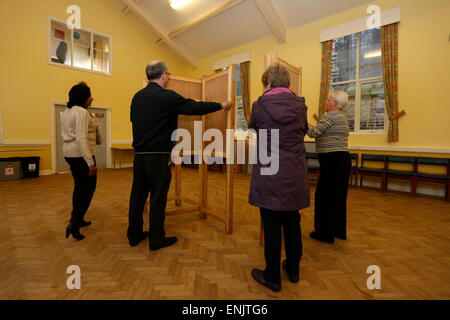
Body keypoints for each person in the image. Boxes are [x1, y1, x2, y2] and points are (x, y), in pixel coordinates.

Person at [127, 61, 232, 250]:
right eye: (168, 74)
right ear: (164, 76)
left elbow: (134, 120)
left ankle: (134, 235)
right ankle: (156, 238)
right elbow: (194, 107)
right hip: (159, 155)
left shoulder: (137, 97)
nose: (169, 77)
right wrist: (221, 105)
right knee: (158, 196)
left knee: (138, 195)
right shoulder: (166, 96)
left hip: (140, 154)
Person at [248, 64, 310, 292]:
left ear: (269, 83)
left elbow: (252, 125)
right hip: (294, 169)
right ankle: (293, 269)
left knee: (272, 223)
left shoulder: (259, 105)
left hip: (270, 167)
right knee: (292, 220)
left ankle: (272, 276)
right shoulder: (300, 106)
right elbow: (303, 129)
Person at [307, 91, 352, 244]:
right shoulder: (341, 117)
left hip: (332, 161)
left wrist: (300, 121)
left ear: (334, 103)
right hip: (342, 160)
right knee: (338, 198)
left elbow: (313, 133)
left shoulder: (330, 116)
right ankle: (338, 231)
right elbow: (321, 130)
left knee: (323, 197)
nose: (325, 102)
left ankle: (324, 234)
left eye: (328, 100)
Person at [62, 82, 99, 241]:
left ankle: (78, 217)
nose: (92, 98)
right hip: (82, 155)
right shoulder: (82, 112)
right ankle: (74, 223)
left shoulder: (67, 111)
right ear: (83, 97)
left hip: (69, 154)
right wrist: (90, 162)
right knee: (88, 189)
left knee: (79, 187)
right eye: (89, 95)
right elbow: (81, 138)